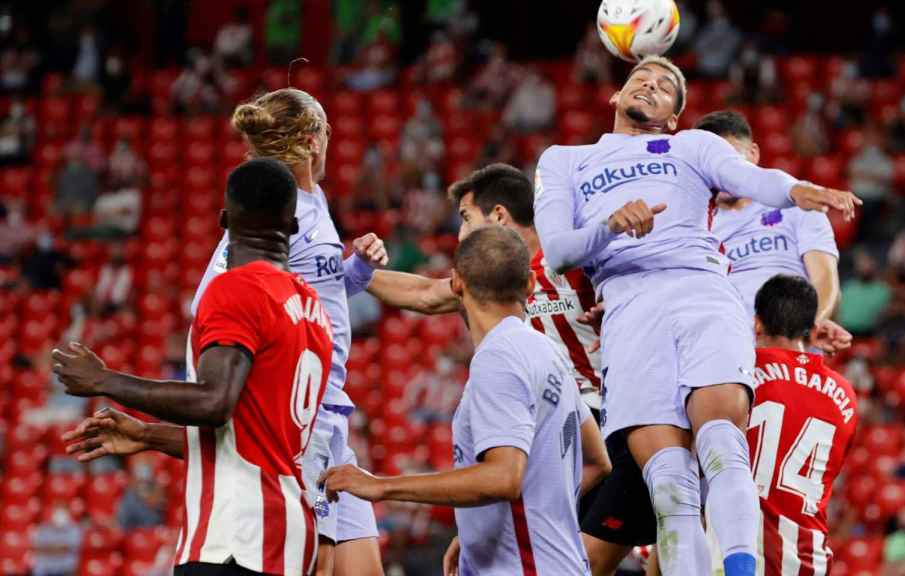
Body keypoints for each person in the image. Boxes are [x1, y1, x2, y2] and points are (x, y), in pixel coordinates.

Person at [533, 54, 859, 576]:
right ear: (616, 96)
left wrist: (799, 191)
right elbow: (558, 251)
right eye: (640, 79)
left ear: (673, 118)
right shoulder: (564, 160)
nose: (650, 85)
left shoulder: (692, 147)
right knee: (669, 482)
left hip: (702, 291)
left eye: (665, 86)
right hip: (627, 307)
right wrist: (610, 227)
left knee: (722, 443)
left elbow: (751, 178)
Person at [365, 164, 649, 575]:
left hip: (613, 423)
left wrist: (621, 312)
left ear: (498, 216)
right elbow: (425, 293)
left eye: (466, 219)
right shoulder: (495, 282)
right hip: (558, 436)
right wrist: (346, 273)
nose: (460, 234)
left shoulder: (577, 255)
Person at [56, 158, 333, 575]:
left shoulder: (236, 288)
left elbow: (214, 401)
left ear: (224, 220)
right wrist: (147, 434)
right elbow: (253, 440)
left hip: (234, 540)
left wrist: (103, 380)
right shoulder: (314, 311)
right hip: (289, 543)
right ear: (291, 226)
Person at [320, 226, 601, 576]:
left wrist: (382, 486)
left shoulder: (498, 358)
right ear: (530, 284)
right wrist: (476, 528)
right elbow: (597, 461)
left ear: (455, 284)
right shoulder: (549, 351)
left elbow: (503, 478)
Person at [208, 88, 389, 576]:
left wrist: (359, 270)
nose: (331, 141)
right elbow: (216, 292)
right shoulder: (275, 216)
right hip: (302, 415)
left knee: (365, 569)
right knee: (318, 565)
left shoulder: (313, 200)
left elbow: (322, 290)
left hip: (331, 408)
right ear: (312, 141)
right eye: (327, 131)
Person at [698, 111, 850, 353]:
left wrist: (809, 328)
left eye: (731, 159)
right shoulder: (695, 223)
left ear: (754, 154)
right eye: (714, 163)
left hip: (793, 343)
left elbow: (824, 276)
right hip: (728, 351)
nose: (724, 172)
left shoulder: (799, 200)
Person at [740, 274, 858, 574]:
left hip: (743, 552)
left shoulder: (739, 369)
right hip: (810, 558)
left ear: (756, 324)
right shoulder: (844, 393)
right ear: (813, 329)